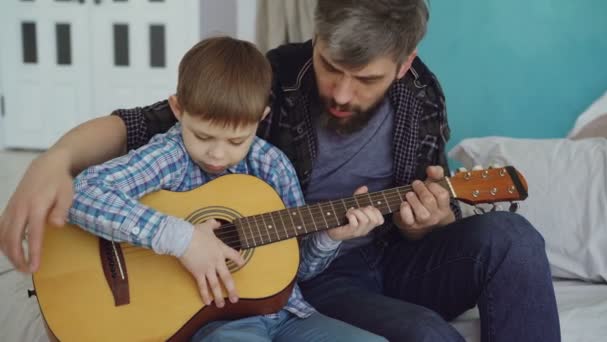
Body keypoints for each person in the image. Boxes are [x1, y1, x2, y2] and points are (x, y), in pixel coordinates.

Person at [0, 1, 560, 341]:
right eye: (330, 67)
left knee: (513, 237)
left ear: (405, 63)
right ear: (315, 40)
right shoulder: (272, 77)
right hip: (310, 269)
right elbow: (153, 122)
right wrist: (54, 160)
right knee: (427, 336)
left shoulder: (424, 96)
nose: (341, 92)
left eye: (365, 79)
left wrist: (426, 222)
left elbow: (427, 205)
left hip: (386, 252)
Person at [59, 36, 387, 342]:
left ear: (261, 118)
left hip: (287, 314)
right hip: (213, 321)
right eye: (202, 136)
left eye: (235, 141)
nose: (217, 154)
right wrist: (183, 240)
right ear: (178, 109)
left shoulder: (272, 166)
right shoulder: (170, 155)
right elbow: (82, 192)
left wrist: (331, 238)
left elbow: (296, 268)